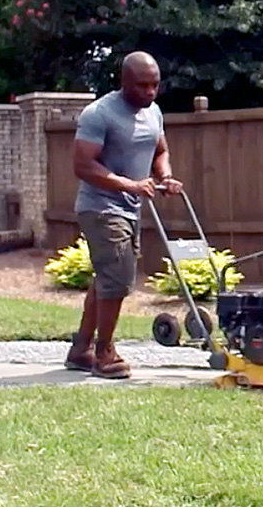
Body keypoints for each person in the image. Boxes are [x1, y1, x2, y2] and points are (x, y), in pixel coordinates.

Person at [64, 51, 183, 378]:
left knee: (107, 278)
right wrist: (129, 185)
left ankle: (81, 349)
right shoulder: (99, 114)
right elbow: (83, 165)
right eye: (142, 86)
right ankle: (105, 354)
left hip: (130, 208)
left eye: (155, 85)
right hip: (100, 207)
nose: (150, 92)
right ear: (124, 82)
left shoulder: (153, 112)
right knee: (116, 280)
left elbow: (160, 150)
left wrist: (165, 177)